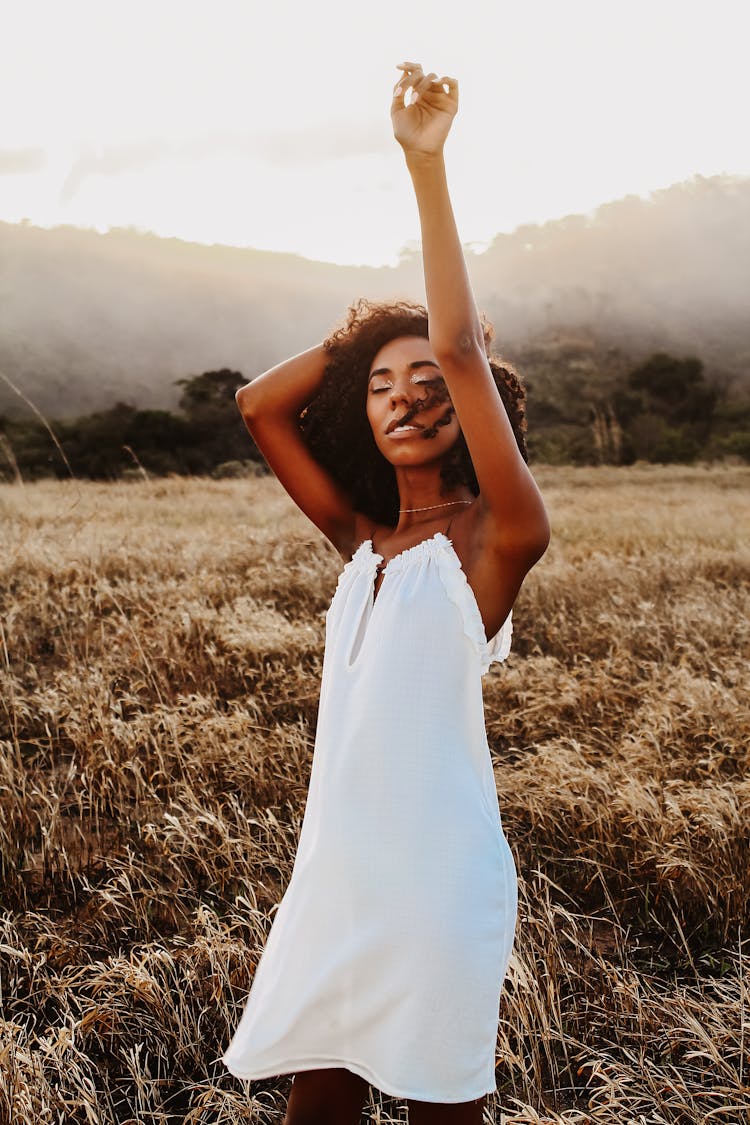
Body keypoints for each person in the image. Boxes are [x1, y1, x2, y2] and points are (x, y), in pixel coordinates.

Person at [222, 62, 550, 1125]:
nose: (407, 400)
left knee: (435, 1108)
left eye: (430, 390)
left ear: (470, 405)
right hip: (339, 876)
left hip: (436, 883)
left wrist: (426, 165)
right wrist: (367, 334)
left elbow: (456, 343)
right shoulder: (363, 544)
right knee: (316, 1104)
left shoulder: (496, 540)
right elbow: (261, 406)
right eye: (381, 388)